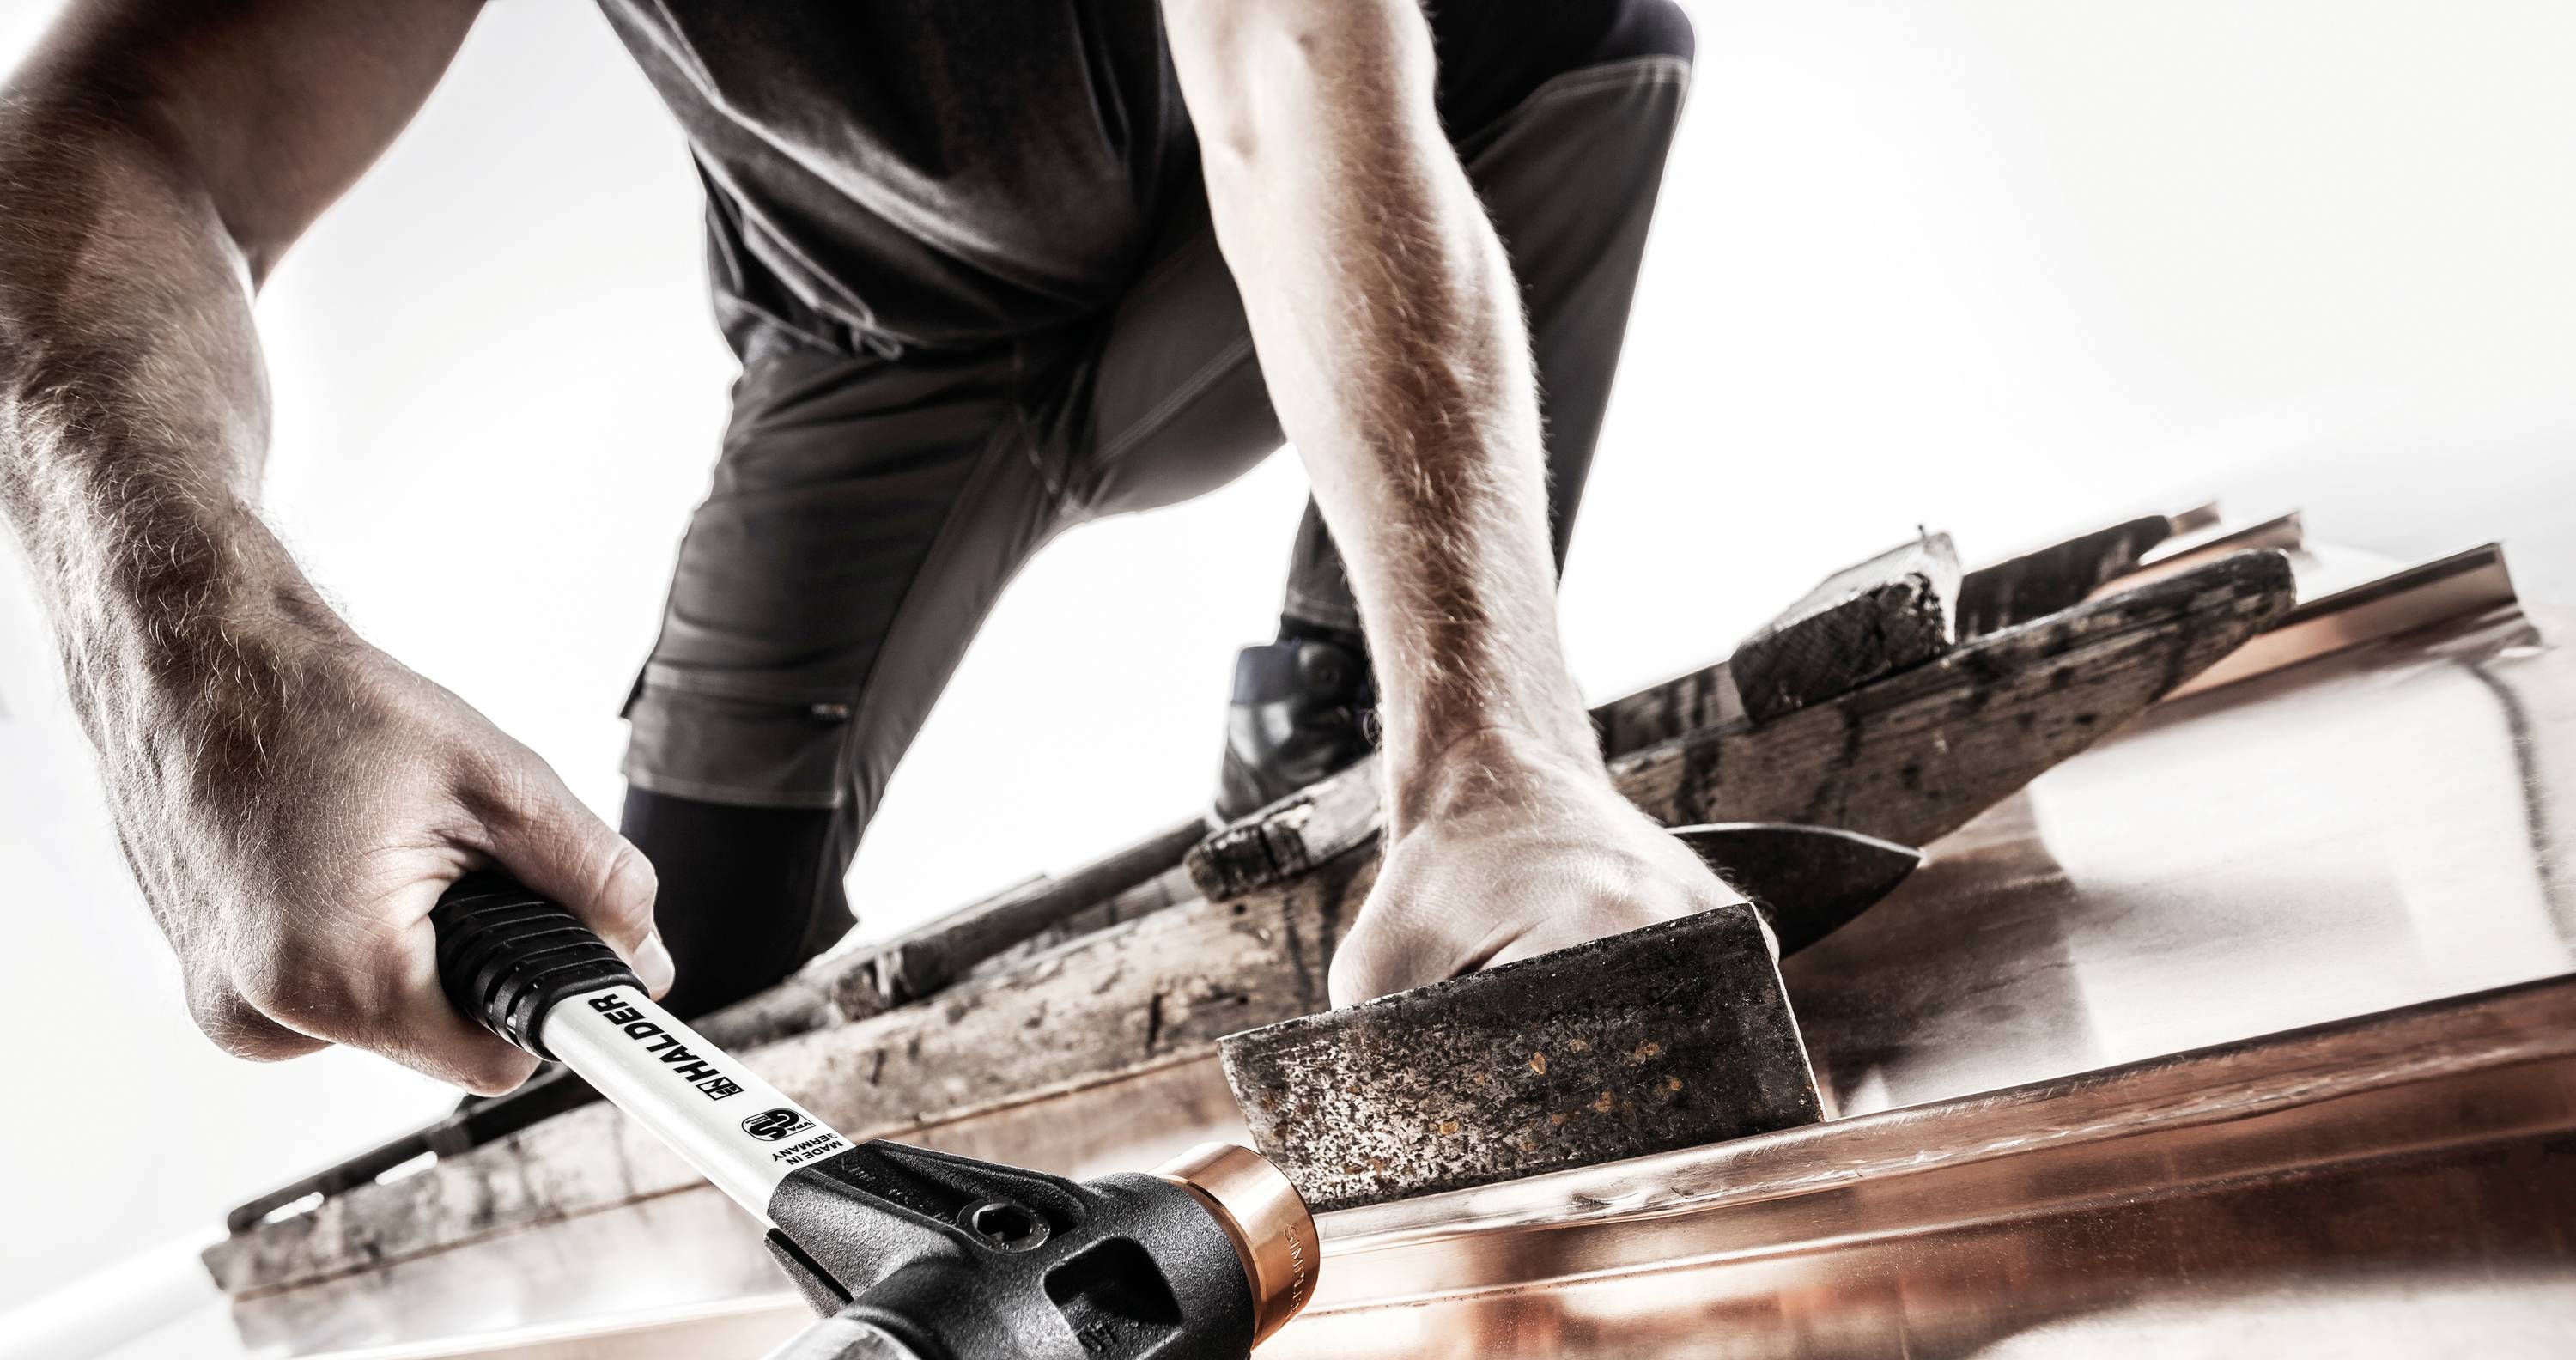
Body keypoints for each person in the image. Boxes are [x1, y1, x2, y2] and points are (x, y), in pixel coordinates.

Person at [0, 0, 1743, 1097]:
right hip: (876, 351)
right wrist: (193, 647)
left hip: (1237, 243)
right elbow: (121, 124)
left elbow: (1289, 71)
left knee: (1592, 23)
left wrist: (1493, 738)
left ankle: (1366, 746)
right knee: (675, 977)